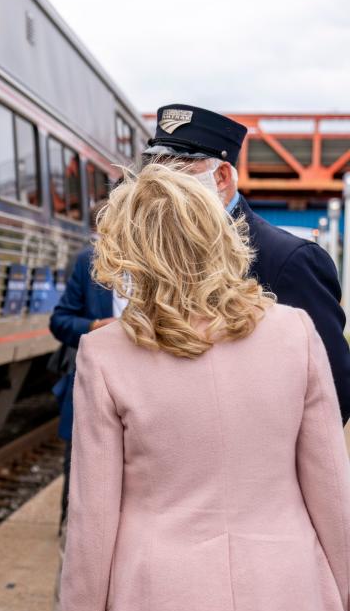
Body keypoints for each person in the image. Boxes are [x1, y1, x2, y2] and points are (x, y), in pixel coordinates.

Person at [60, 163, 350, 611]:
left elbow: (92, 517)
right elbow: (331, 488)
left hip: (156, 595)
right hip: (286, 589)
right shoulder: (296, 332)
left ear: (128, 251)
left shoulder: (104, 354)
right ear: (219, 233)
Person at [145, 103, 350, 424]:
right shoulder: (160, 249)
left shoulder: (290, 259)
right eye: (157, 173)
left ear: (222, 176)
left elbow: (331, 385)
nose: (164, 188)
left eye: (178, 174)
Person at [46, 201, 117, 611]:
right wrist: (93, 328)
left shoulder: (164, 259)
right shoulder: (88, 262)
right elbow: (60, 320)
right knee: (77, 503)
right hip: (89, 396)